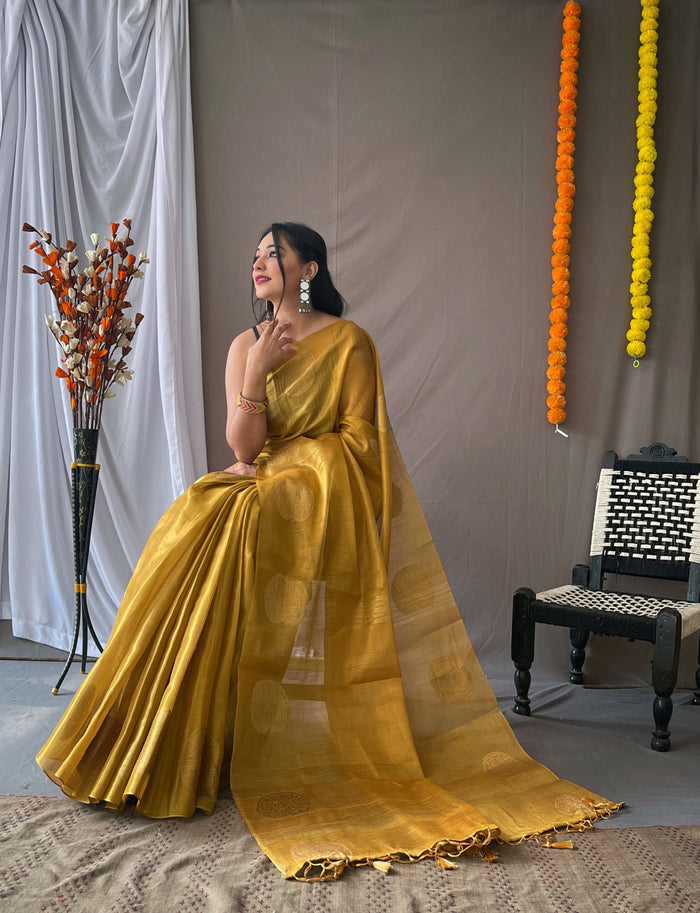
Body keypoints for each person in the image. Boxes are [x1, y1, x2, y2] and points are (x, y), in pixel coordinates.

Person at [37, 222, 620, 881]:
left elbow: (361, 443)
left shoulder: (349, 342)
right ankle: (165, 737)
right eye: (255, 255)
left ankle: (233, 737)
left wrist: (299, 471)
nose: (259, 263)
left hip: (323, 499)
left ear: (308, 269)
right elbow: (242, 447)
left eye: (274, 253)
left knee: (239, 509)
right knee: (201, 513)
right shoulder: (245, 345)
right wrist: (257, 370)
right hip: (266, 486)